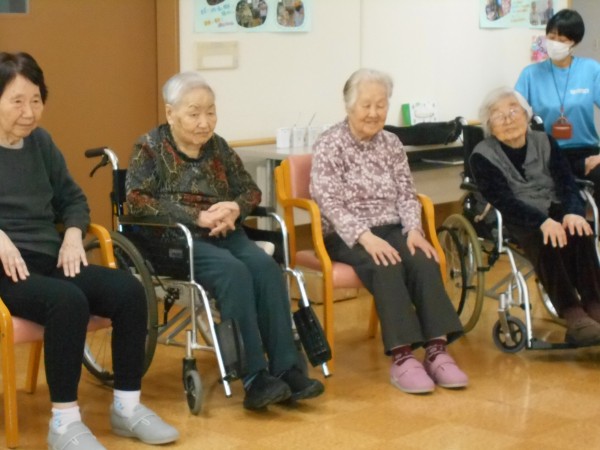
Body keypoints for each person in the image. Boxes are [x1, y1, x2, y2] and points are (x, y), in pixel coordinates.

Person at [0, 52, 179, 450]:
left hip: (51, 260)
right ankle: (63, 423)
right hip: (7, 272)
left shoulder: (41, 143)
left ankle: (127, 408)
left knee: (129, 291)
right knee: (67, 302)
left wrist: (72, 235)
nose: (29, 112)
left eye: (36, 100)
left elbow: (73, 199)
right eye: (17, 101)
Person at [125, 71, 324, 411]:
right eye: (194, 113)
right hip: (176, 241)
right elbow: (137, 200)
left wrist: (235, 208)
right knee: (233, 273)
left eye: (210, 112)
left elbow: (250, 190)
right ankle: (254, 377)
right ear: (171, 113)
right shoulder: (149, 147)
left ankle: (287, 369)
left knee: (266, 268)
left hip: (226, 232)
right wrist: (196, 216)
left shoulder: (218, 147)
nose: (204, 122)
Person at [309, 68, 468, 395]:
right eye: (366, 105)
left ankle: (437, 349)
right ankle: (403, 356)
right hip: (345, 233)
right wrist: (365, 237)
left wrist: (413, 230)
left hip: (392, 226)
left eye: (380, 105)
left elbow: (407, 193)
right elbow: (328, 201)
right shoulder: (330, 143)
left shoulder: (392, 143)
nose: (374, 112)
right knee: (385, 264)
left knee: (424, 259)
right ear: (349, 106)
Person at [470, 86, 600, 346]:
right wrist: (542, 222)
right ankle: (573, 315)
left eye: (513, 110)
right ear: (489, 125)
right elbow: (503, 200)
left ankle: (595, 306)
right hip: (514, 216)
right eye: (498, 115)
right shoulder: (482, 155)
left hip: (553, 204)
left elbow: (566, 182)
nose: (508, 119)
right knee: (544, 238)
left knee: (580, 230)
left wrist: (573, 213)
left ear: (526, 114)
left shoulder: (545, 141)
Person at [515, 9, 600, 205]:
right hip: (546, 155)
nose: (554, 43)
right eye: (551, 37)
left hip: (585, 151)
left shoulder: (591, 70)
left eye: (562, 39)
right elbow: (515, 113)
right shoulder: (530, 74)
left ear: (574, 42)